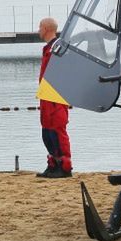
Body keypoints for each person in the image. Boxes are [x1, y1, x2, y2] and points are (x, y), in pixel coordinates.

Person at [37, 18, 72, 178]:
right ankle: (53, 164)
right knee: (47, 131)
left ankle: (64, 167)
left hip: (56, 96)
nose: (38, 30)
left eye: (40, 27)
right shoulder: (49, 48)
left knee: (57, 130)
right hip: (46, 95)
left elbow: (64, 72)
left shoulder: (58, 48)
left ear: (46, 28)